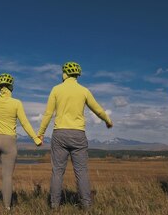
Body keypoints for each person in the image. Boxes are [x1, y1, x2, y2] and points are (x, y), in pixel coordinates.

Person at [37, 61, 113, 209]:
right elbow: (97, 109)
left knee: (57, 171)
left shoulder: (56, 90)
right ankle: (86, 206)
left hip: (60, 134)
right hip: (78, 134)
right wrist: (107, 120)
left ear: (64, 73)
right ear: (77, 75)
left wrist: (40, 134)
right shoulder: (84, 91)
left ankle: (54, 205)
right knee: (82, 172)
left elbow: (48, 114)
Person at [0, 60, 42, 210]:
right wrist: (35, 138)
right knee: (7, 176)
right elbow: (25, 123)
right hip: (9, 142)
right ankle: (7, 207)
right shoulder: (16, 103)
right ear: (11, 87)